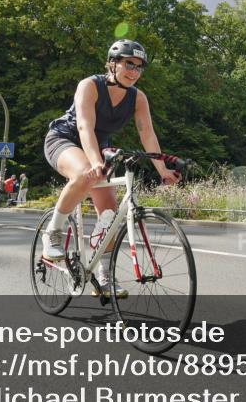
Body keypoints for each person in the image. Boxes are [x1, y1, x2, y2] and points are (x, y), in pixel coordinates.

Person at [42, 39, 179, 297]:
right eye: (129, 64)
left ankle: (103, 275)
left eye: (139, 67)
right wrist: (95, 162)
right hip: (65, 138)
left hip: (99, 147)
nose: (134, 71)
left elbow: (147, 135)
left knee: (110, 214)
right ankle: (53, 233)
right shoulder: (90, 85)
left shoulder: (138, 98)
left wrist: (162, 170)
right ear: (112, 64)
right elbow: (84, 126)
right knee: (83, 173)